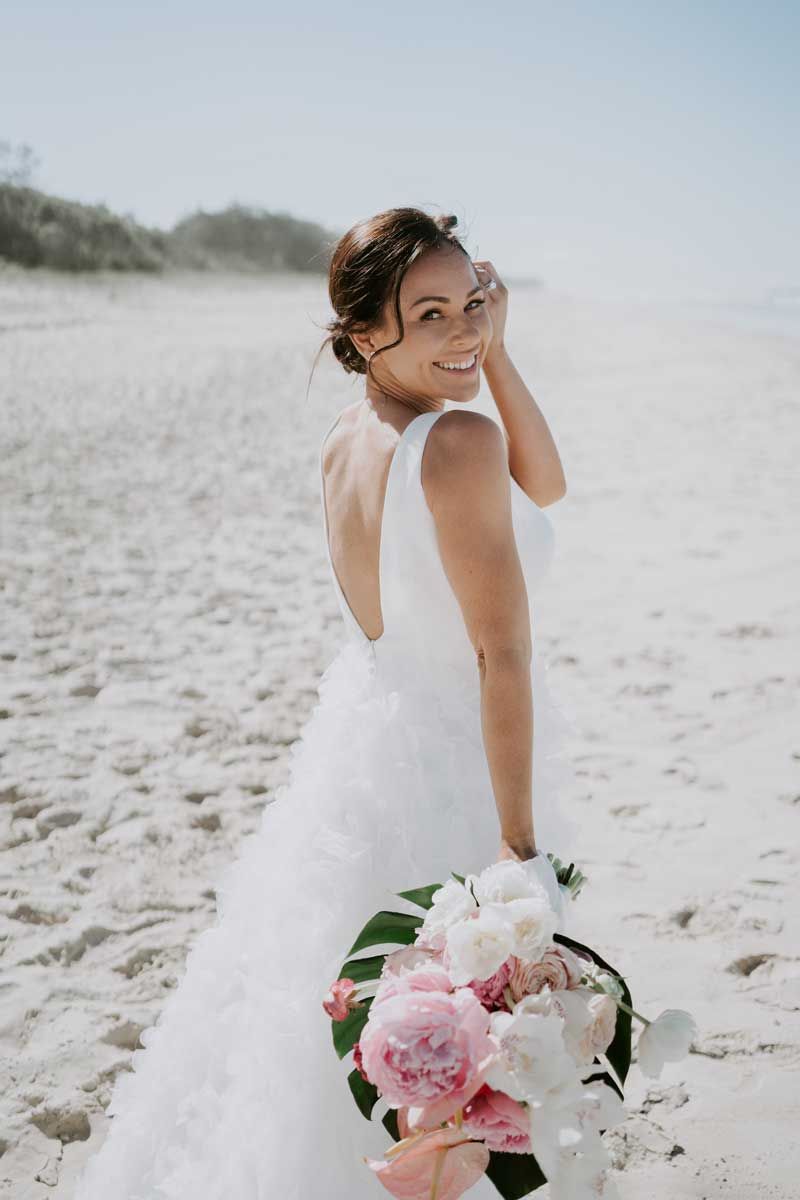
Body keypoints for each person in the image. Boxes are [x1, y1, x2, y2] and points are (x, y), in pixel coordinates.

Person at [72, 207, 580, 1199]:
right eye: (428, 314)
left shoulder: (348, 438)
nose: (464, 333)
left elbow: (545, 487)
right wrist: (518, 849)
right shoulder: (460, 443)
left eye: (472, 305)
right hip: (458, 759)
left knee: (368, 1039)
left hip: (360, 755)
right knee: (461, 1069)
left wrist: (498, 353)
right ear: (362, 336)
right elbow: (501, 655)